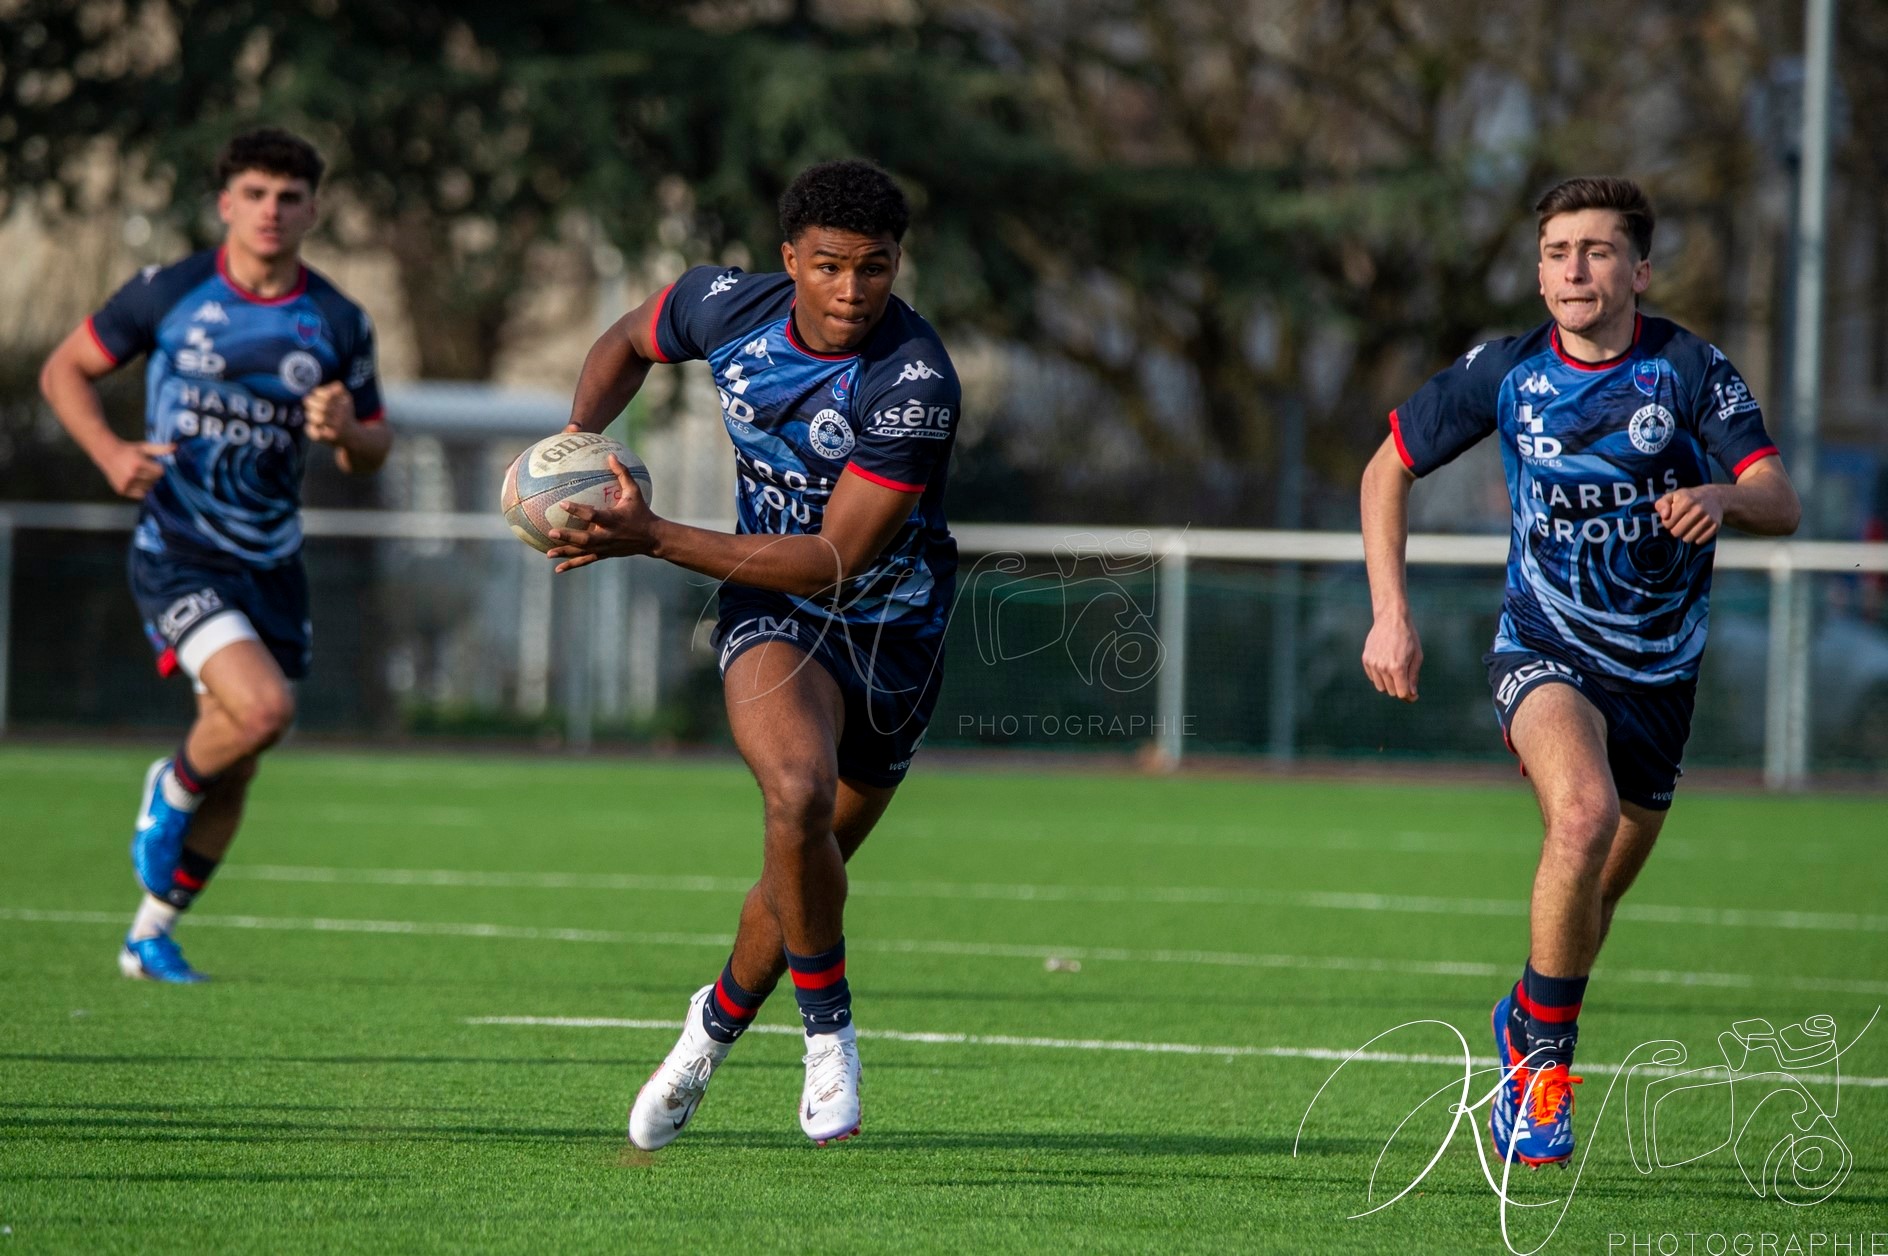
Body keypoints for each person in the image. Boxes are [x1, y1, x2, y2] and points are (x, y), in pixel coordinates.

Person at [1359, 176, 1800, 1167]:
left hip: (1658, 675)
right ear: (1539, 269)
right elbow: (1384, 466)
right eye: (1558, 251)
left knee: (1594, 893)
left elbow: (1779, 493)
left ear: (1636, 271)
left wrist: (1721, 499)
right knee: (1581, 814)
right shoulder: (1505, 371)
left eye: (1597, 251)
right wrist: (1391, 610)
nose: (1574, 268)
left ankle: (1526, 1012)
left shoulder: (1687, 369)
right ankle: (1541, 1068)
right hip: (1543, 648)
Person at [546, 159, 960, 1149]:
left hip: (892, 633)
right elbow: (623, 338)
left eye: (875, 268)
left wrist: (651, 536)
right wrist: (573, 440)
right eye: (828, 267)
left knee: (798, 873)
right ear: (789, 260)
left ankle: (707, 1031)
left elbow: (832, 555)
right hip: (772, 612)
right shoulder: (720, 304)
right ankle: (829, 1038)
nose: (852, 291)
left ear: (898, 263)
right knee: (795, 792)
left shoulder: (914, 383)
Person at [39, 128, 390, 983]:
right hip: (180, 549)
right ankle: (170, 785)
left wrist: (346, 431)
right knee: (264, 713)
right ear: (226, 202)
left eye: (290, 196)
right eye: (256, 193)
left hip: (272, 561)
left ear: (314, 208)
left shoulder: (339, 320)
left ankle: (149, 933)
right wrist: (112, 454)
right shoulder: (172, 291)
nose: (272, 211)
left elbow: (372, 444)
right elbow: (64, 371)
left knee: (240, 759)